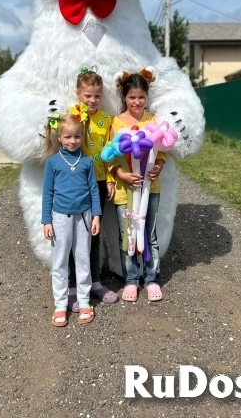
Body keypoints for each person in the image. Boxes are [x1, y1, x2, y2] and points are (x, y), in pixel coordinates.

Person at [110, 70, 166, 303]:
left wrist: (158, 166)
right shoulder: (116, 122)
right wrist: (123, 174)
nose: (137, 102)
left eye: (141, 97)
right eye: (132, 97)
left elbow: (161, 150)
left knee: (149, 234)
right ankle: (131, 280)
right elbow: (111, 156)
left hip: (150, 189)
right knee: (127, 236)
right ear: (125, 97)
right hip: (125, 192)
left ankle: (151, 279)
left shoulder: (152, 121)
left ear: (147, 97)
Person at [42, 114, 101, 327]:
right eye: (67, 137)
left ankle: (84, 301)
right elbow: (47, 193)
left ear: (82, 136)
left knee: (83, 258)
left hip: (84, 217)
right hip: (59, 218)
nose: (72, 141)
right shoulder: (53, 162)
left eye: (77, 136)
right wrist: (46, 220)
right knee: (59, 262)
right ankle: (60, 304)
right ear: (59, 138)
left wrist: (96, 216)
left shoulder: (86, 162)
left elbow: (94, 190)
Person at [67, 68, 118, 312]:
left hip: (98, 181)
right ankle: (73, 288)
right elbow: (64, 144)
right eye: (87, 95)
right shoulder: (73, 116)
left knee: (93, 233)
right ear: (78, 94)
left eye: (96, 96)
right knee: (73, 234)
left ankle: (95, 283)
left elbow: (110, 152)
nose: (92, 100)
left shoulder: (107, 120)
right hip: (76, 183)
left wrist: (109, 179)